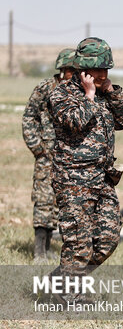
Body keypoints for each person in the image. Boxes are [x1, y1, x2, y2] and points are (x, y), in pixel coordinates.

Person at [48, 37, 123, 302]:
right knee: (78, 241)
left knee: (107, 239)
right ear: (83, 68)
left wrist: (112, 91)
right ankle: (69, 297)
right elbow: (75, 122)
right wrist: (90, 96)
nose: (103, 74)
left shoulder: (105, 92)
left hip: (102, 178)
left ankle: (62, 277)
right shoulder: (61, 95)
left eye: (106, 69)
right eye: (97, 70)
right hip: (73, 180)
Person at [22, 48, 76, 262]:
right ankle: (39, 252)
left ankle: (49, 247)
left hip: (68, 159)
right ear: (62, 69)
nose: (76, 74)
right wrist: (37, 147)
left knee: (59, 204)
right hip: (47, 156)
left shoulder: (77, 91)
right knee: (44, 200)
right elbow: (29, 117)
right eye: (72, 70)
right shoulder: (45, 88)